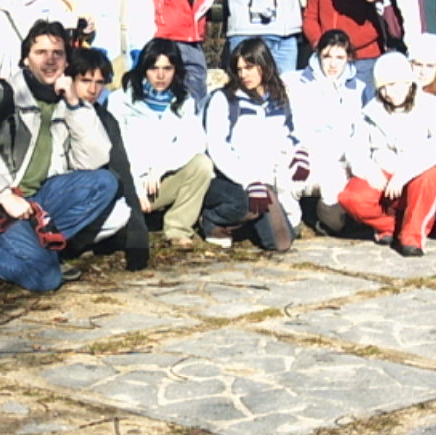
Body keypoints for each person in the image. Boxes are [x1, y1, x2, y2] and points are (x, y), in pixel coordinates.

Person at [0, 20, 119, 292]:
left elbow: (93, 161)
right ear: (26, 58)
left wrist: (75, 103)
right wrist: (4, 196)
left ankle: (38, 246)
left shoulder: (65, 102)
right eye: (40, 53)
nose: (50, 61)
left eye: (57, 53)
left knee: (105, 183)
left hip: (39, 201)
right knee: (46, 278)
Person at [200, 38, 307, 252]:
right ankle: (213, 220)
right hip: (227, 179)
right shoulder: (224, 100)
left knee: (282, 242)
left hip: (265, 178)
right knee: (249, 203)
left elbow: (290, 135)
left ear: (264, 65)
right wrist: (248, 180)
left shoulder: (281, 97)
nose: (243, 75)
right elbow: (218, 150)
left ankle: (250, 224)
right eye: (239, 69)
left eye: (249, 68)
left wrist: (297, 155)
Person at [340, 52, 436, 257]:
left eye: (394, 84)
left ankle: (412, 236)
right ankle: (389, 226)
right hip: (384, 175)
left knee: (431, 175)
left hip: (416, 175)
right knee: (351, 197)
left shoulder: (431, 106)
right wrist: (369, 170)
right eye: (383, 87)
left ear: (408, 82)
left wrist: (405, 173)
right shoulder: (370, 112)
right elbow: (355, 149)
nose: (389, 92)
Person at [108, 39, 214, 249]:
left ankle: (177, 228)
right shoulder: (120, 101)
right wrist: (135, 187)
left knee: (202, 164)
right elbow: (119, 151)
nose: (160, 75)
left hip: (160, 180)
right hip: (129, 185)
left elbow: (194, 141)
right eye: (154, 68)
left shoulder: (183, 101)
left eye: (167, 68)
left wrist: (160, 168)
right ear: (143, 69)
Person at [66, 47, 147, 271]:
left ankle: (76, 242)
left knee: (121, 210)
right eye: (85, 80)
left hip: (91, 192)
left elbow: (122, 169)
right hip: (54, 193)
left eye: (99, 82)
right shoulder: (56, 109)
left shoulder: (106, 119)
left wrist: (138, 243)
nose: (93, 89)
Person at [282, 29, 369, 234]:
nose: (333, 64)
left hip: (338, 160)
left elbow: (359, 132)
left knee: (336, 221)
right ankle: (291, 223)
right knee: (286, 181)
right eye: (327, 56)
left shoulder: (358, 89)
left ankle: (323, 218)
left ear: (348, 58)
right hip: (302, 154)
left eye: (340, 57)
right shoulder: (294, 82)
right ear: (318, 54)